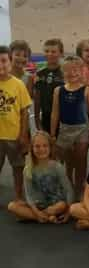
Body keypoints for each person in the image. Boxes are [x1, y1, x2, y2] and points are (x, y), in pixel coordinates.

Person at [50, 56, 89, 200]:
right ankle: (68, 186)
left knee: (81, 160)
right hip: (65, 129)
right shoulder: (58, 90)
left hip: (82, 129)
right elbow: (55, 113)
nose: (72, 73)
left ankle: (80, 187)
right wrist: (53, 134)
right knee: (67, 162)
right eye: (68, 70)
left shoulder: (87, 91)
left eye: (75, 70)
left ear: (81, 71)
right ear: (63, 72)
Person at [7, 131, 73, 223]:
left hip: (56, 204)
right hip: (38, 204)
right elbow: (29, 195)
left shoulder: (57, 166)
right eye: (37, 146)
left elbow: (68, 190)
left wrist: (68, 212)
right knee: (12, 206)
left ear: (50, 148)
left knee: (61, 205)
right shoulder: (28, 169)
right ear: (32, 149)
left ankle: (38, 217)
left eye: (45, 146)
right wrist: (37, 212)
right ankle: (46, 218)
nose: (41, 149)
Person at [0, 45, 32, 200]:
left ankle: (19, 196)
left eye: (4, 61)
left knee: (18, 168)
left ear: (10, 62)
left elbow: (24, 113)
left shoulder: (18, 84)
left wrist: (23, 135)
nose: (1, 65)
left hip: (14, 135)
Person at [34, 38, 64, 133]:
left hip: (63, 118)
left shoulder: (65, 73)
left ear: (61, 53)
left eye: (53, 51)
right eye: (47, 51)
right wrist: (37, 120)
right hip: (46, 117)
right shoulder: (39, 74)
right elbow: (37, 98)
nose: (50, 54)